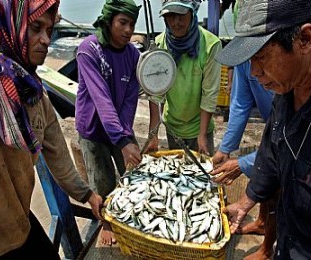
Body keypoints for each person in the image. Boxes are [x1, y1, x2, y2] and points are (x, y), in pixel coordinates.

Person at [0, 0, 104, 259]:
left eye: (49, 30)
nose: (46, 40)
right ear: (8, 25)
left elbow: (59, 158)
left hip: (18, 222)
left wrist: (89, 195)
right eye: (36, 28)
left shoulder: (34, 94)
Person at [216, 0, 311, 259]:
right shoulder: (287, 85)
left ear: (304, 39)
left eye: (261, 56)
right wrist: (248, 199)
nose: (254, 72)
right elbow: (272, 150)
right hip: (287, 240)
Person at [75, 0, 142, 246]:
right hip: (92, 129)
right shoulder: (88, 50)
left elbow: (130, 100)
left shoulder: (134, 54)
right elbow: (101, 98)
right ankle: (106, 224)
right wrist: (123, 140)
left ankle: (134, 215)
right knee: (102, 181)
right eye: (122, 23)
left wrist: (125, 135)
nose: (127, 30)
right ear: (109, 20)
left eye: (132, 24)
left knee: (136, 174)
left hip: (119, 127)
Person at [211, 60, 276, 260]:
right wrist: (226, 147)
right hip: (272, 125)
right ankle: (262, 222)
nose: (255, 71)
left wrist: (242, 164)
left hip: (295, 134)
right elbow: (240, 102)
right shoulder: (242, 58)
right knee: (265, 177)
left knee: (278, 183)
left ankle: (267, 249)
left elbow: (290, 144)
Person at [146, 0, 222, 156]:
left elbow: (209, 94)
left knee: (203, 175)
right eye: (170, 16)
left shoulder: (210, 45)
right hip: (173, 127)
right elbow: (156, 94)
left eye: (181, 15)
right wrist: (153, 134)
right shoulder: (159, 45)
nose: (176, 22)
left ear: (192, 13)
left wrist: (201, 135)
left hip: (200, 127)